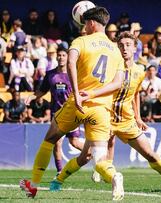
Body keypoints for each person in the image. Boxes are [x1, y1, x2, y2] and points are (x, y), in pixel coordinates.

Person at [58, 31, 161, 191]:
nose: (124, 48)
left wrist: (138, 118)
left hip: (127, 122)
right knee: (84, 156)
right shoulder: (109, 68)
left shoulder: (140, 71)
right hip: (104, 119)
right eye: (121, 45)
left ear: (135, 48)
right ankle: (58, 180)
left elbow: (135, 94)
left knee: (150, 154)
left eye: (128, 45)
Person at [20, 7, 124, 201]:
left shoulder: (81, 40)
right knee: (100, 158)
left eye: (85, 23)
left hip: (77, 104)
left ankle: (32, 186)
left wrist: (77, 94)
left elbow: (70, 63)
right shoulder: (116, 51)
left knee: (50, 139)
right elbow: (118, 83)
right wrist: (94, 93)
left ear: (92, 23)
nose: (84, 26)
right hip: (101, 109)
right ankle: (114, 176)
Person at [25, 48, 84, 176]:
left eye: (64, 55)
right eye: (59, 55)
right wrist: (33, 96)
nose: (61, 57)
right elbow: (43, 90)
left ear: (68, 57)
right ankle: (59, 171)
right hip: (56, 114)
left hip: (71, 113)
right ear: (56, 57)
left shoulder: (73, 74)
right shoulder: (50, 74)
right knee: (56, 143)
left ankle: (92, 153)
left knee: (74, 142)